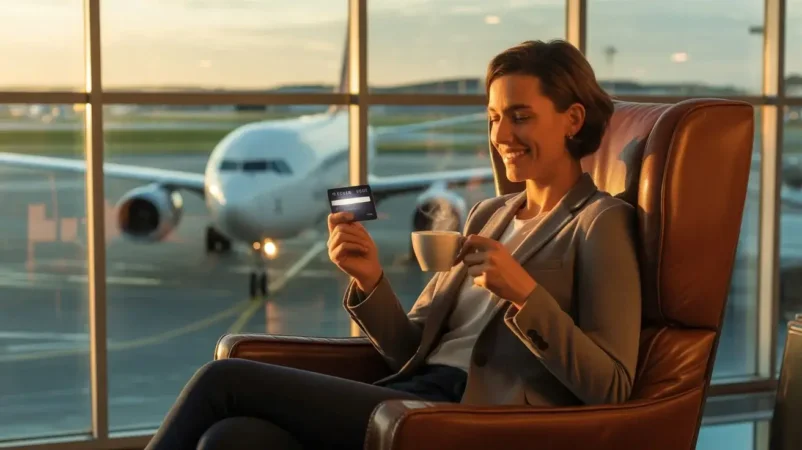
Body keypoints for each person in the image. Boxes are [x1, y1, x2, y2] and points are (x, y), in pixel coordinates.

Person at [144, 39, 642, 450]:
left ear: (573, 120)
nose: (501, 135)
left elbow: (613, 388)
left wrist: (525, 296)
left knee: (225, 380)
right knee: (231, 439)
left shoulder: (599, 223)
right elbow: (410, 350)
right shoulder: (491, 214)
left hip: (469, 417)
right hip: (415, 394)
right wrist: (371, 280)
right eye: (492, 118)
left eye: (520, 116)